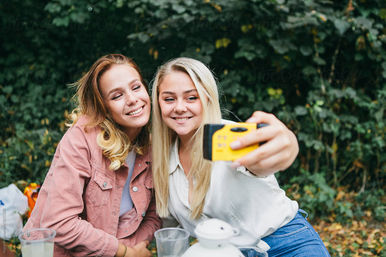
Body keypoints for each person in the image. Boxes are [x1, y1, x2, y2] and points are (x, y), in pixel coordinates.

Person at [151, 57, 330, 257]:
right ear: (158, 103)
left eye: (191, 97)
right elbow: (169, 228)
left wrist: (287, 146)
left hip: (287, 244)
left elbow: (270, 156)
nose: (180, 107)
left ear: (208, 98)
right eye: (169, 99)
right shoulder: (161, 158)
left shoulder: (230, 137)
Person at [23, 54, 161, 257]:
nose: (133, 100)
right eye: (117, 96)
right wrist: (123, 252)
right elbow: (59, 222)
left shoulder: (151, 145)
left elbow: (155, 213)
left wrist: (135, 247)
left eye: (136, 87)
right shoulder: (81, 140)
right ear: (103, 107)